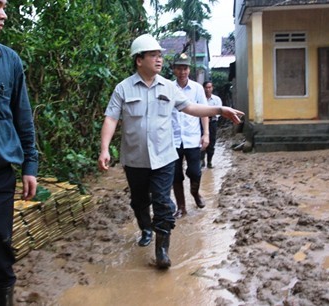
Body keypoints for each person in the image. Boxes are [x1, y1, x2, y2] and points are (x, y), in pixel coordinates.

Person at [97, 34, 244, 269]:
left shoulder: (168, 87)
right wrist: (105, 149)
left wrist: (219, 108)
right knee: (139, 201)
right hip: (135, 159)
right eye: (153, 55)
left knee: (164, 203)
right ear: (139, 60)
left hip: (164, 158)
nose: (159, 59)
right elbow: (111, 118)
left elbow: (190, 107)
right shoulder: (123, 88)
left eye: (160, 55)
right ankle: (145, 228)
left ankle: (162, 250)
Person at [0, 0, 39, 304]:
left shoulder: (9, 61)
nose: (3, 14)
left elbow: (22, 118)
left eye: (4, 6)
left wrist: (30, 165)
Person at [171, 53, 208, 219]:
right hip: (172, 140)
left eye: (185, 68)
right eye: (179, 68)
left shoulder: (197, 89)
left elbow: (204, 112)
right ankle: (181, 206)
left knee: (195, 172)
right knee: (175, 175)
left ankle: (195, 193)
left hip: (193, 139)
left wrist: (206, 133)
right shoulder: (168, 88)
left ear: (189, 70)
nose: (182, 71)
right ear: (173, 70)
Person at [201, 80, 223, 168]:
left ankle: (209, 161)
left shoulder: (216, 99)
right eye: (206, 87)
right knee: (201, 141)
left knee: (212, 142)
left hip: (213, 123)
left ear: (212, 88)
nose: (208, 89)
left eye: (209, 87)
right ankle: (201, 160)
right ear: (203, 88)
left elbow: (219, 111)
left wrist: (210, 114)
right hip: (201, 123)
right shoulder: (200, 99)